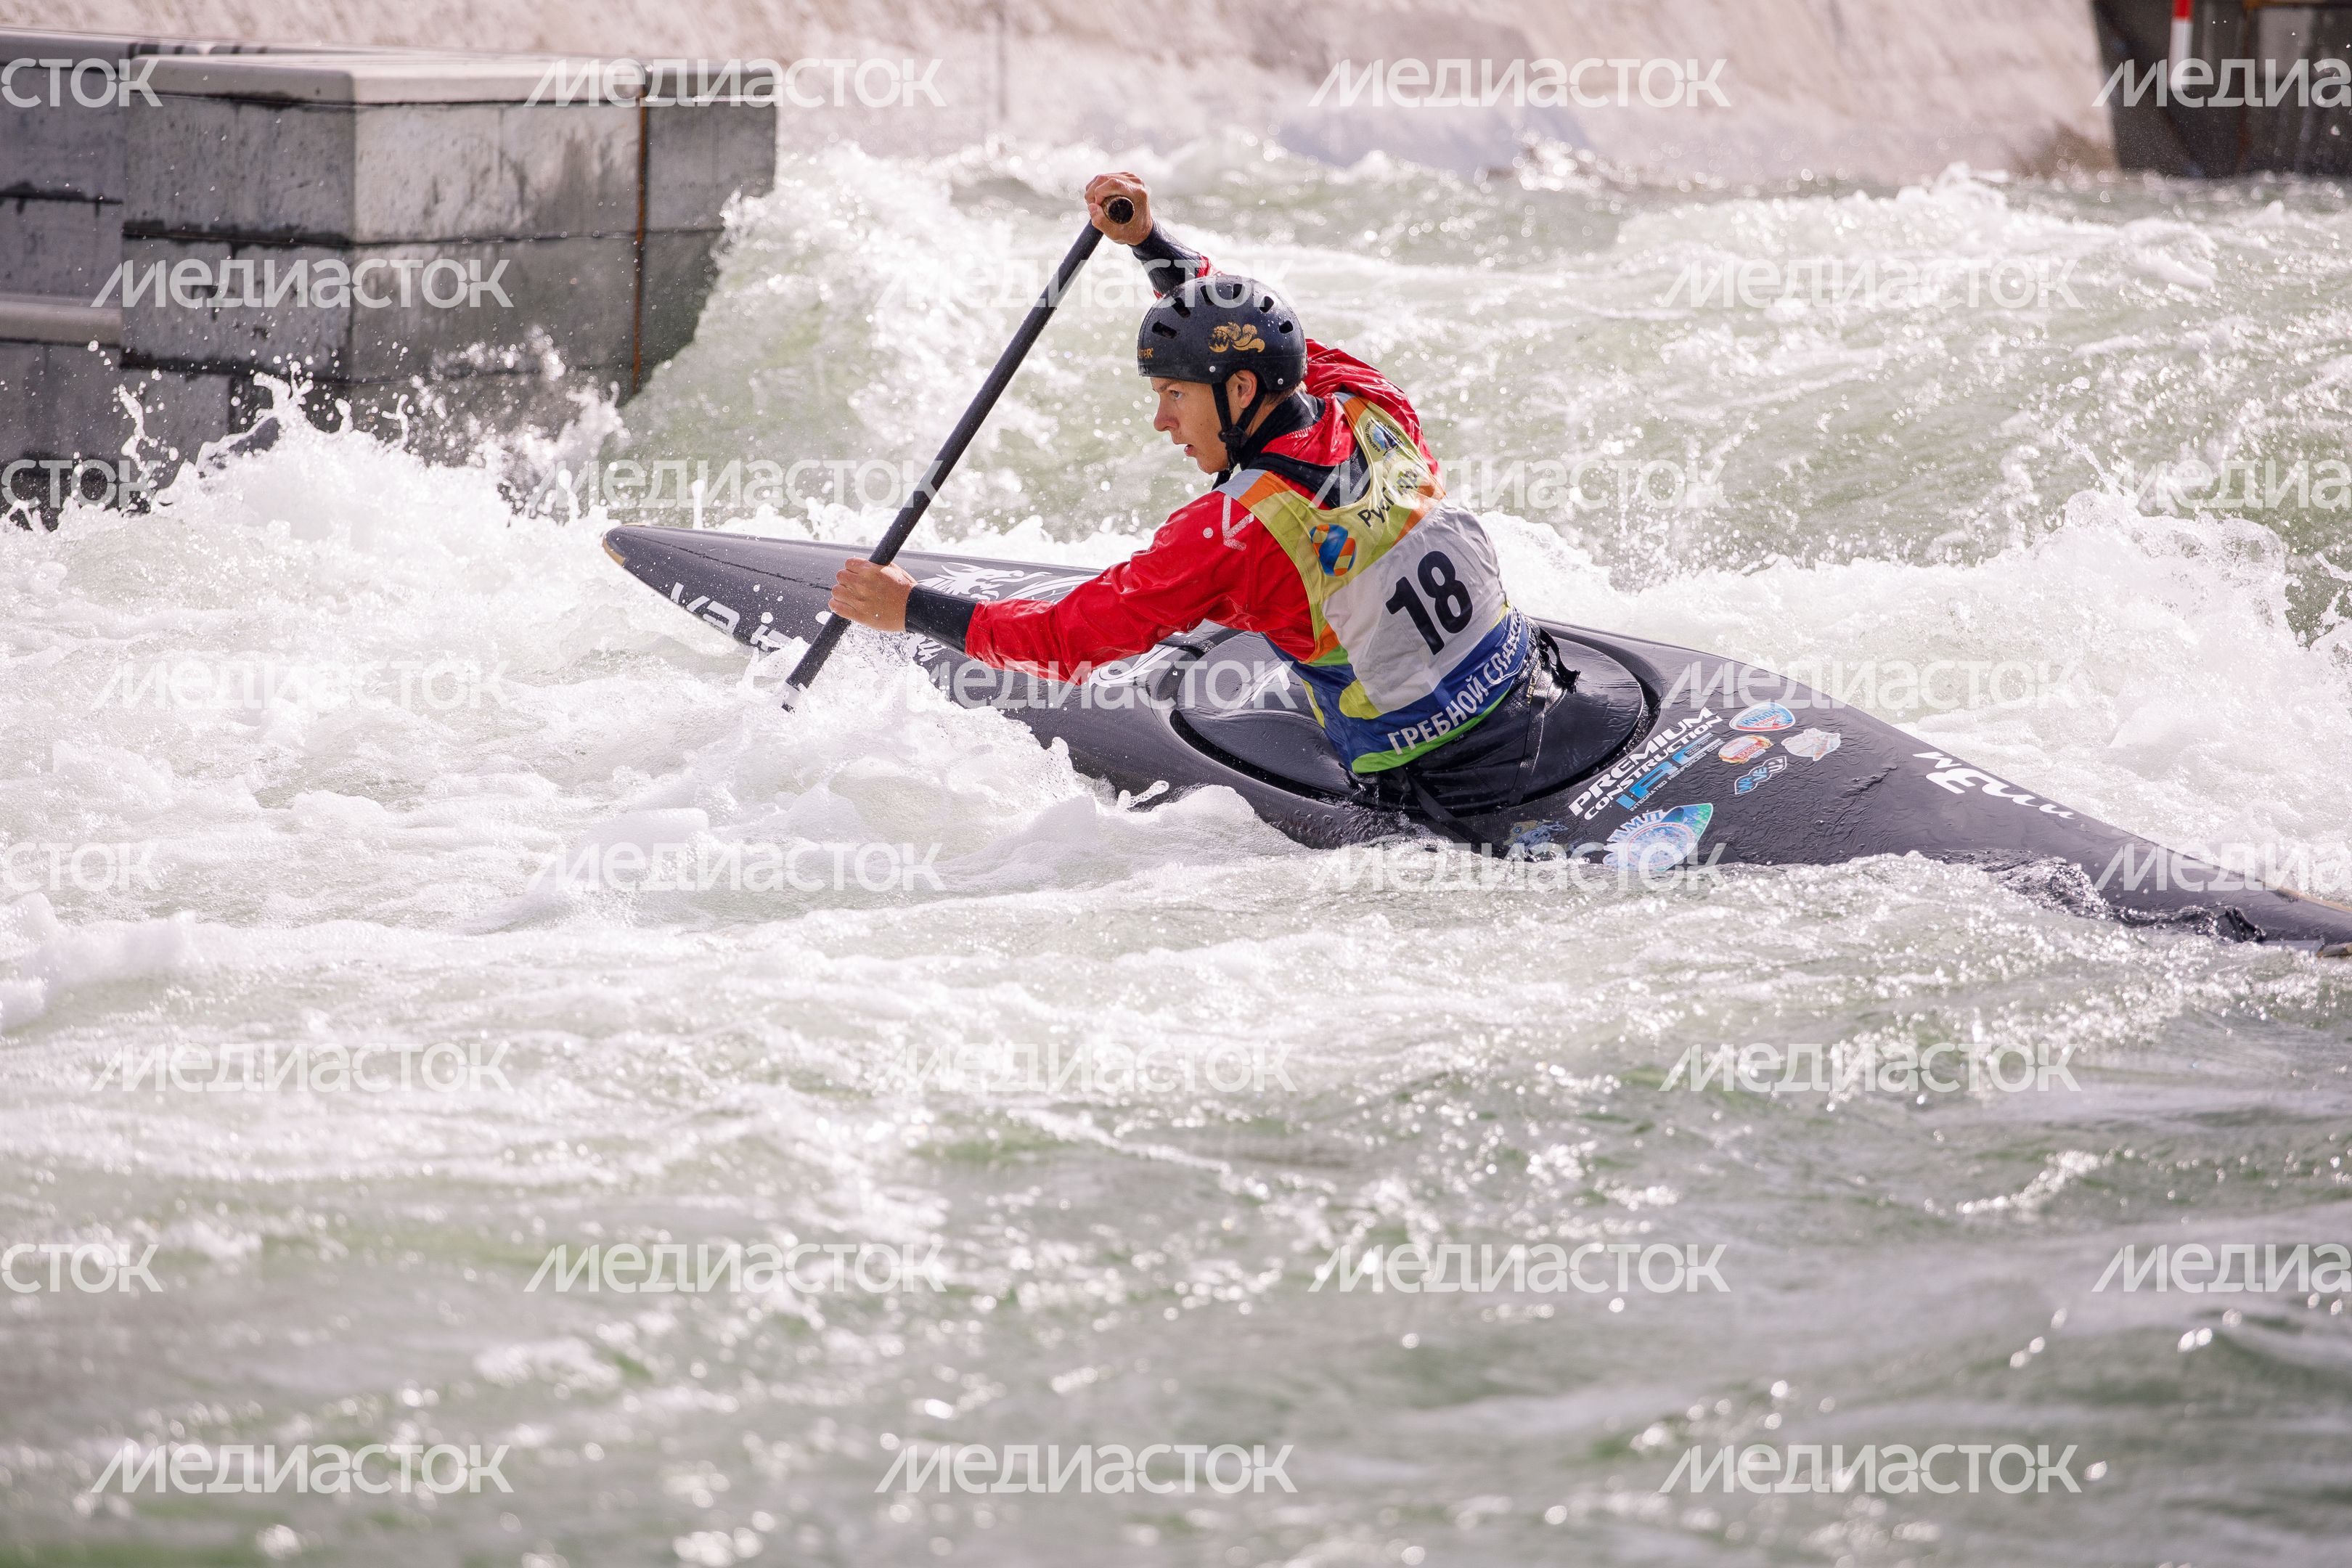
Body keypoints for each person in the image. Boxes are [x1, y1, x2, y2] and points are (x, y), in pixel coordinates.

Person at [827, 172, 1564, 835]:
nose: (1162, 421)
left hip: (1440, 792)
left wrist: (911, 609)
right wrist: (1147, 241)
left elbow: (1065, 641)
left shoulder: (1233, 534)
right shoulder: (1367, 400)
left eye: (1174, 394)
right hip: (1537, 690)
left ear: (1240, 392)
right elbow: (1262, 335)